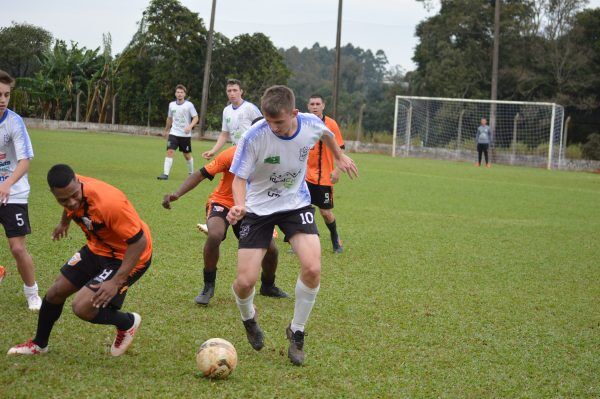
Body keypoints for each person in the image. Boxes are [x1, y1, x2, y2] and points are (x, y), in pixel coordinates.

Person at [226, 85, 358, 366]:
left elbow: (328, 134)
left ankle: (297, 332)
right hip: (258, 209)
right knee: (245, 282)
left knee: (312, 267)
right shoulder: (254, 136)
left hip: (295, 204)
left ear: (295, 113)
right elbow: (238, 178)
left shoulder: (310, 123)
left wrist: (338, 156)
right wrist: (239, 204)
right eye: (269, 121)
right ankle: (249, 317)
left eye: (280, 122)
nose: (273, 127)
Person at [8, 164, 152, 356]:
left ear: (78, 182)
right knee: (55, 292)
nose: (72, 202)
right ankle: (39, 344)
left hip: (127, 254)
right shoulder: (69, 192)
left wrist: (115, 281)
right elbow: (71, 205)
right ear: (53, 193)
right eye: (63, 200)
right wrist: (64, 222)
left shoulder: (109, 203)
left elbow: (139, 242)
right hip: (97, 247)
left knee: (82, 307)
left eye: (75, 195)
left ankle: (127, 322)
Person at [161, 145, 288, 305]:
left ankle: (268, 286)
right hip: (223, 202)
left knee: (271, 249)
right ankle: (208, 286)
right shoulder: (233, 153)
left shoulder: (275, 157)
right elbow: (201, 174)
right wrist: (176, 194)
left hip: (252, 207)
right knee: (214, 235)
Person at [0, 69, 42, 311]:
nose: (3, 99)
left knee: (17, 247)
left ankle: (32, 292)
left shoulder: (14, 122)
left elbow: (25, 160)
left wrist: (6, 184)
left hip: (14, 192)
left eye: (6, 94)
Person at [305, 94, 346, 253]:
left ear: (323, 106)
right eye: (312, 104)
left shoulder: (331, 124)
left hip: (325, 177)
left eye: (317, 104)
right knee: (302, 209)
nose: (315, 106)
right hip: (306, 176)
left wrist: (337, 170)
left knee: (325, 212)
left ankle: (335, 238)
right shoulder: (304, 123)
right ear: (308, 106)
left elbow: (340, 148)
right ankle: (300, 241)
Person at [201, 79, 261, 160]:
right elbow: (224, 135)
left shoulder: (250, 108)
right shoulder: (226, 110)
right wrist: (213, 151)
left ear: (241, 91)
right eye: (229, 91)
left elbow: (263, 129)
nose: (232, 93)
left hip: (252, 152)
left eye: (235, 90)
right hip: (236, 151)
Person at [157, 84, 198, 180]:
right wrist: (166, 130)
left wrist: (190, 126)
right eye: (178, 92)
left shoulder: (189, 105)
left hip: (185, 135)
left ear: (184, 94)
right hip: (174, 133)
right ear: (175, 94)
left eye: (181, 92)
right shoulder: (171, 105)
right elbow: (169, 118)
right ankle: (165, 174)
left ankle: (191, 174)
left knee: (186, 155)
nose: (179, 94)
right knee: (170, 151)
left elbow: (196, 118)